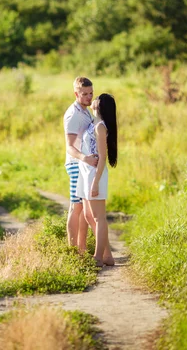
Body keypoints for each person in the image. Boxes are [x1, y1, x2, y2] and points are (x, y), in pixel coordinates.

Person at [75, 93, 117, 267]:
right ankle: (107, 256)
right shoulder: (92, 122)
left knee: (99, 217)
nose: (93, 98)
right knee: (87, 214)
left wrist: (95, 181)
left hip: (95, 174)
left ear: (100, 104)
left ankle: (98, 257)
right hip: (85, 172)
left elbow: (102, 156)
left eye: (96, 97)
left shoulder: (100, 126)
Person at [64, 77, 98, 252]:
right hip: (76, 164)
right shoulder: (73, 115)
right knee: (76, 207)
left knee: (84, 208)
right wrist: (85, 158)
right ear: (76, 94)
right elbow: (69, 147)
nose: (89, 97)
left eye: (91, 93)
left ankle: (81, 249)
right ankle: (72, 251)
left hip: (85, 165)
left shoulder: (85, 111)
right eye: (84, 94)